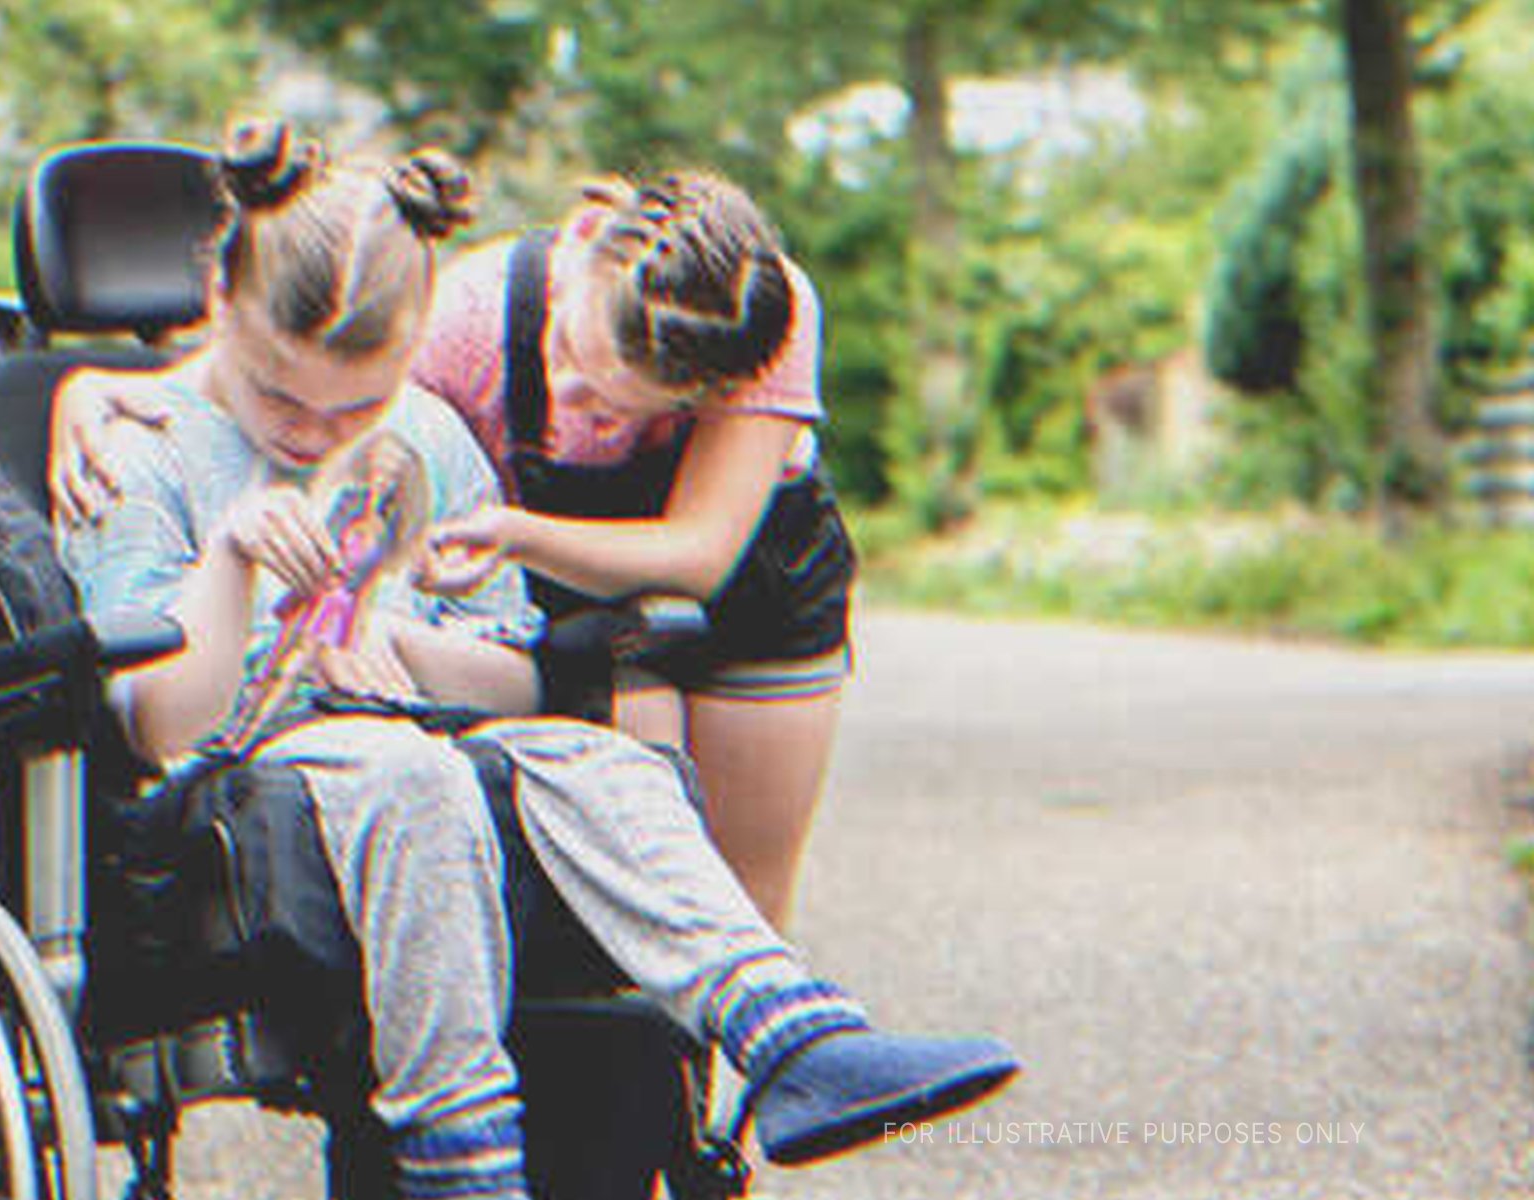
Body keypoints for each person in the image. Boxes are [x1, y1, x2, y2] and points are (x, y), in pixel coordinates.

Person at [56, 118, 1014, 1200]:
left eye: (354, 405)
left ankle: (794, 1035)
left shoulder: (421, 433)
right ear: (217, 309)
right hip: (251, 767)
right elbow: (161, 726)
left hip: (433, 721)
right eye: (283, 399)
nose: (318, 434)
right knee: (409, 774)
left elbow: (513, 674)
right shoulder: (142, 450)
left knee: (593, 759)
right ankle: (459, 1156)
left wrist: (403, 643)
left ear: (408, 348)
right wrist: (233, 565)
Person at [53, 167, 854, 934]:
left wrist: (510, 540)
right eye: (572, 365)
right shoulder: (463, 320)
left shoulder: (757, 309)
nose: (588, 413)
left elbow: (700, 555)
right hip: (534, 571)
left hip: (740, 568)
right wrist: (88, 390)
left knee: (733, 881)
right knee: (615, 752)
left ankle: (771, 1047)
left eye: (630, 410)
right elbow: (303, 370)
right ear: (579, 244)